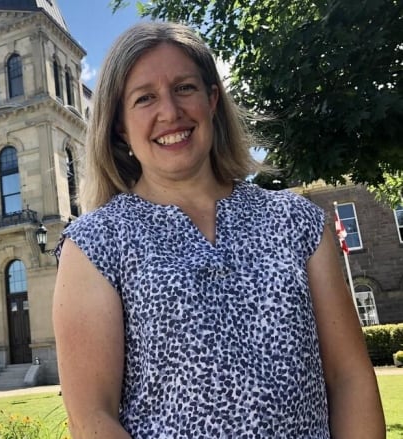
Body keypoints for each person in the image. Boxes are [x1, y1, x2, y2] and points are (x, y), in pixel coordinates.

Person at [52, 21, 385, 438]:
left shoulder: (296, 221)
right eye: (145, 98)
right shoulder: (96, 243)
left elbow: (350, 378)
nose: (170, 111)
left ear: (212, 99)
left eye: (185, 88)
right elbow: (92, 419)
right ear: (119, 124)